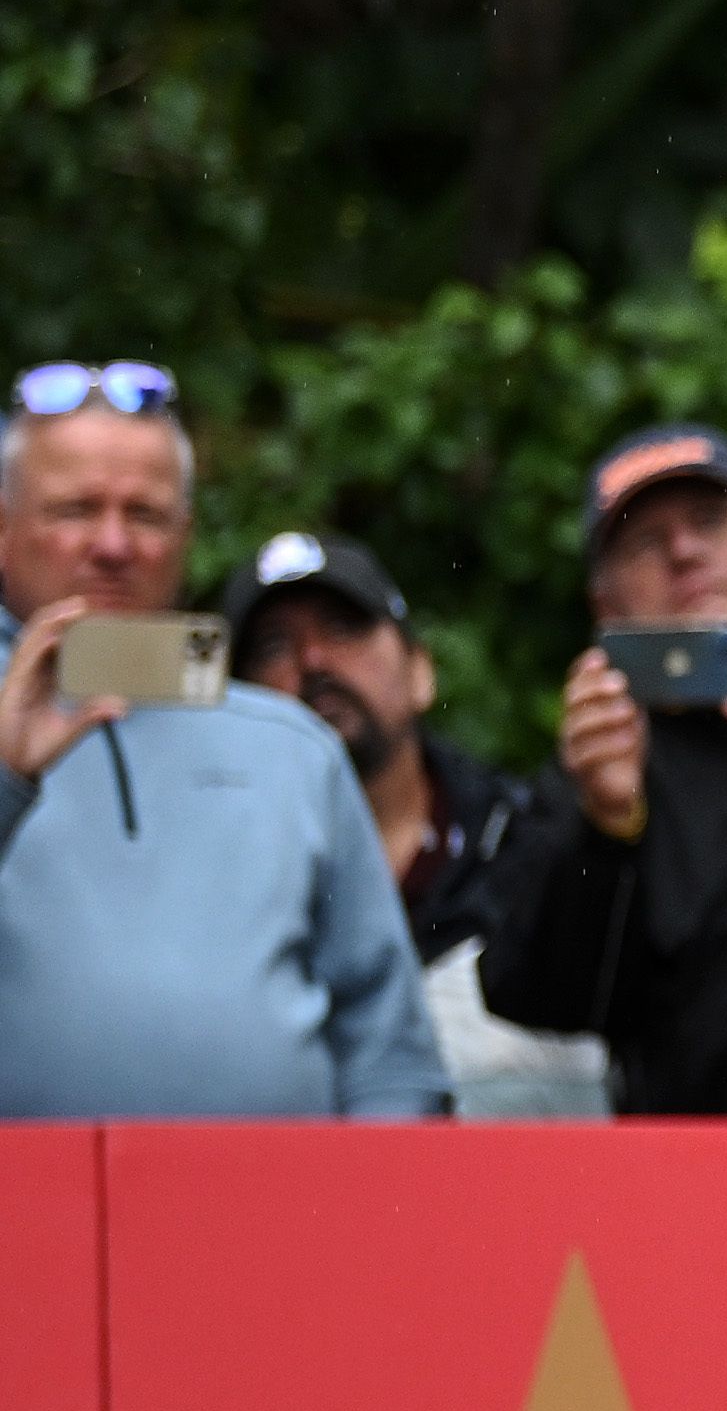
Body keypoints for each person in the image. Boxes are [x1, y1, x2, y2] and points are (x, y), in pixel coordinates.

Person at [0, 361, 448, 1119]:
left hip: (272, 1219)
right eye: (74, 509)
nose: (113, 545)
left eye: (145, 515)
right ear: (4, 530)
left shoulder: (292, 749)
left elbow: (388, 1054)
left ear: (186, 537)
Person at [477, 424, 727, 1113]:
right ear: (606, 608)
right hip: (701, 1180)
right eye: (643, 540)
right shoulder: (603, 759)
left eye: (710, 520)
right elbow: (528, 990)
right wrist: (604, 828)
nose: (684, 552)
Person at [222, 528, 609, 1119]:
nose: (313, 661)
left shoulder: (536, 845)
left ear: (421, 671)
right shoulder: (214, 894)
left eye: (344, 628)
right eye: (272, 647)